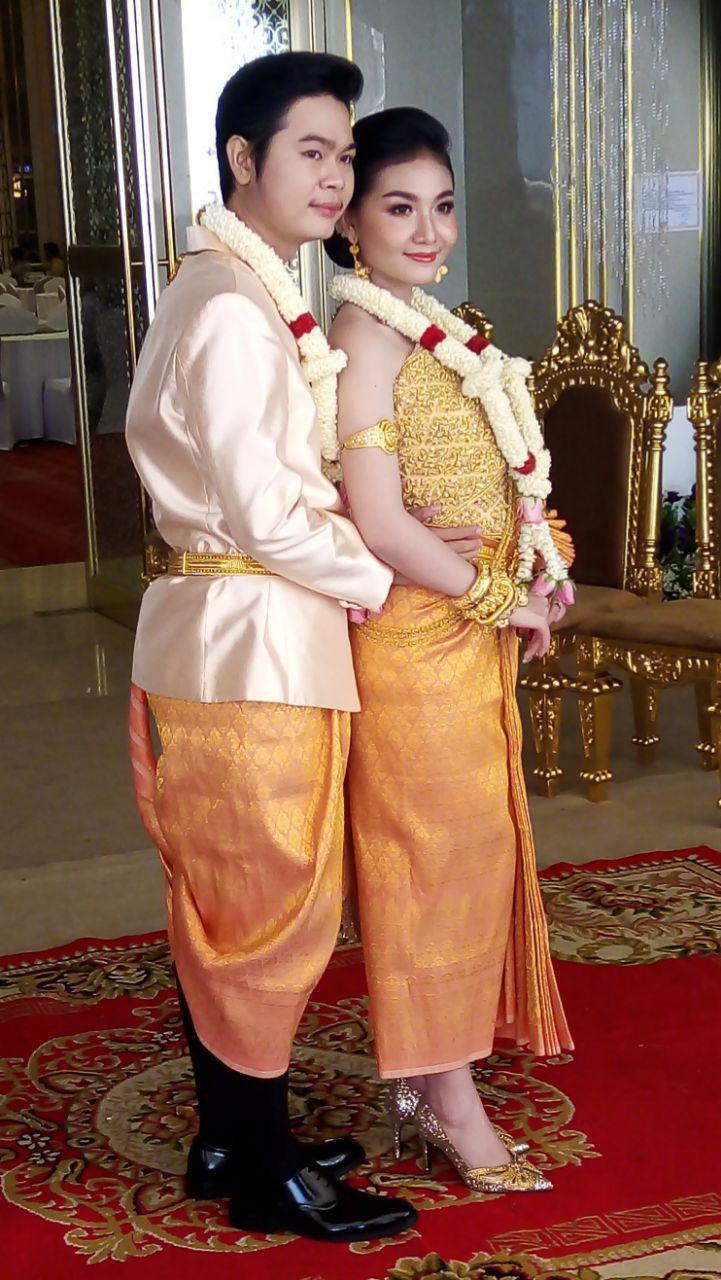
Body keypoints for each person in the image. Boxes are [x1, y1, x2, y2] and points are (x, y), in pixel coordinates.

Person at [125, 53, 420, 1244]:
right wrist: (383, 578)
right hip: (249, 644)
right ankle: (264, 1170)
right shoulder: (234, 310)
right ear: (242, 158)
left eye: (343, 152)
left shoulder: (231, 288)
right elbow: (266, 515)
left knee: (229, 893)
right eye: (311, 150)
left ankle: (232, 1134)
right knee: (267, 902)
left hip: (229, 633)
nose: (335, 173)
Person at [325, 107, 575, 1195]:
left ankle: (437, 1075)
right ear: (350, 224)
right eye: (398, 208)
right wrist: (494, 596)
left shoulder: (430, 325)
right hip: (412, 644)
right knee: (428, 866)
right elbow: (380, 520)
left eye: (441, 205)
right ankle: (443, 1094)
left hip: (462, 634)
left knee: (468, 856)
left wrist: (538, 561)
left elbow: (478, 483)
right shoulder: (362, 339)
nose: (428, 231)